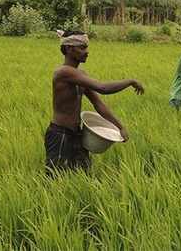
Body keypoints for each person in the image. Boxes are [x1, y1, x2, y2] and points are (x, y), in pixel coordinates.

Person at [45, 30, 144, 175]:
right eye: (82, 47)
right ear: (68, 49)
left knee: (83, 174)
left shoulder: (80, 75)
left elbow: (98, 103)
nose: (87, 52)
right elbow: (102, 88)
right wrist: (130, 81)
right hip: (60, 134)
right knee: (55, 179)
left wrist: (120, 126)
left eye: (86, 47)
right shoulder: (63, 72)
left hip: (77, 134)